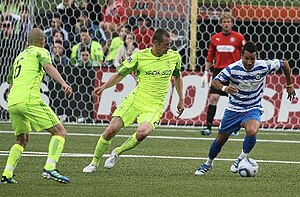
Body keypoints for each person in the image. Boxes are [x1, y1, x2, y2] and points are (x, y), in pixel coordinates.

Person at [82, 28, 184, 172]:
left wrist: (181, 99)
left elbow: (178, 76)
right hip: (135, 100)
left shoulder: (174, 57)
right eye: (166, 45)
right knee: (111, 130)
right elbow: (120, 74)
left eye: (170, 44)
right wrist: (104, 87)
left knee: (143, 132)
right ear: (155, 43)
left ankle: (117, 152)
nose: (169, 48)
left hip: (154, 106)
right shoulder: (139, 57)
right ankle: (94, 162)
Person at [194, 41, 296, 176]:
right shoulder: (233, 68)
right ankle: (208, 163)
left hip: (253, 107)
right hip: (234, 109)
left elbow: (284, 63)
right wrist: (225, 88)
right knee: (220, 140)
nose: (249, 62)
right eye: (246, 58)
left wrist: (289, 85)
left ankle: (240, 160)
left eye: (252, 59)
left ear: (256, 57)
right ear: (241, 56)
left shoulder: (263, 66)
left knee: (252, 131)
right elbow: (215, 81)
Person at [0, 28, 73, 184]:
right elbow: (48, 67)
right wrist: (63, 83)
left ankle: (7, 174)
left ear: (27, 41)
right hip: (29, 99)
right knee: (59, 132)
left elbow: (11, 84)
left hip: (12, 102)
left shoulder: (19, 57)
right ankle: (50, 168)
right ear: (43, 41)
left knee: (22, 139)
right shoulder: (41, 51)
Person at [200, 13, 245, 136]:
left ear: (232, 23)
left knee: (236, 100)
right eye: (224, 22)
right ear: (221, 23)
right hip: (219, 72)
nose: (226, 24)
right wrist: (205, 73)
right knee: (213, 98)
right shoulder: (215, 38)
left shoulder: (239, 38)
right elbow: (210, 57)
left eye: (228, 22)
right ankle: (208, 127)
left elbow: (245, 55)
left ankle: (235, 128)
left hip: (233, 72)